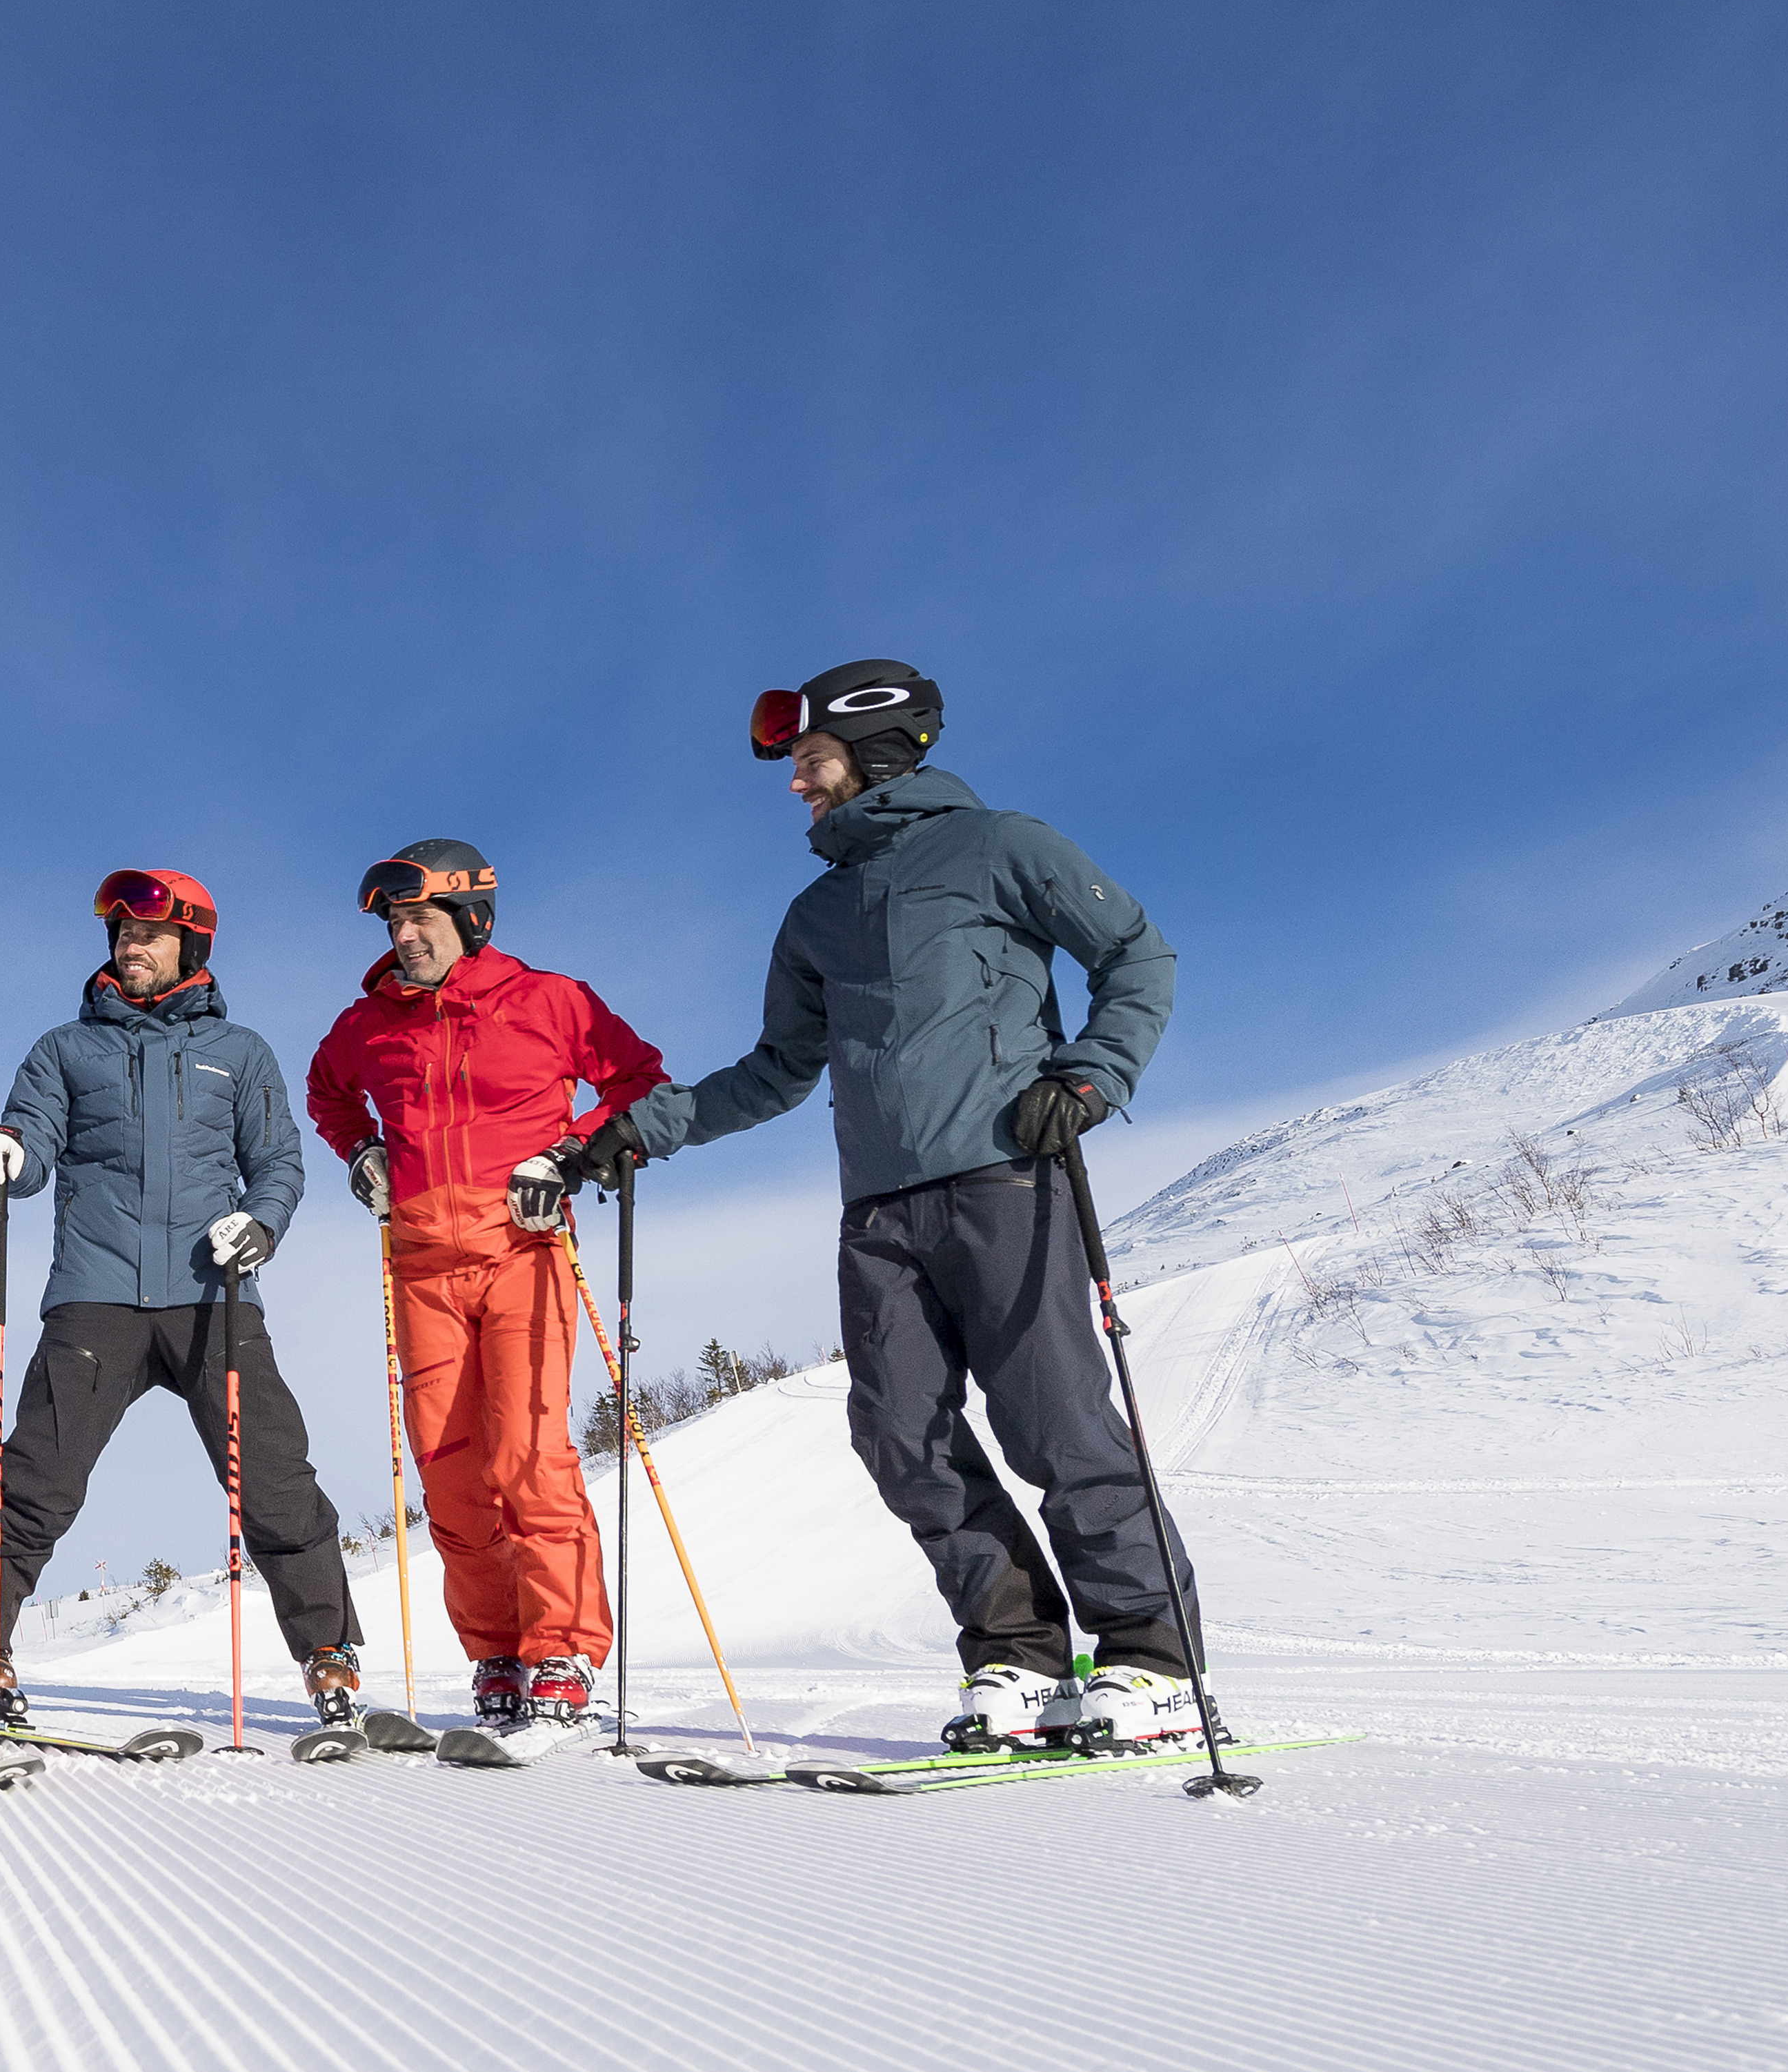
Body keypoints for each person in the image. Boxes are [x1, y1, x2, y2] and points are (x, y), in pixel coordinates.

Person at [570, 662, 1202, 1752]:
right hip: (878, 1209)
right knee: (899, 1434)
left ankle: (1149, 1656)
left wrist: (1091, 1075)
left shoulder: (1003, 845)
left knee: (1054, 1420)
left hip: (1007, 1175)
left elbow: (1136, 956)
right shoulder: (816, 911)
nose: (796, 786)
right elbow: (777, 1067)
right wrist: (642, 1126)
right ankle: (1018, 1651)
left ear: (879, 748)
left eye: (808, 761)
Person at [0, 870, 361, 1730]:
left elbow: (278, 1164)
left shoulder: (240, 1053)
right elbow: (30, 1147)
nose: (129, 946)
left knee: (276, 1483)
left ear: (191, 946)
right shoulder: (64, 1049)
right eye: (120, 934)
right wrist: (5, 1155)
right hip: (93, 1300)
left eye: (148, 933)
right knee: (34, 1484)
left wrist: (263, 1224)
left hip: (216, 1296)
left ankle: (330, 1660)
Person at [306, 840, 666, 1734]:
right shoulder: (368, 1025)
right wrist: (361, 1151)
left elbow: (638, 1080)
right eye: (394, 921)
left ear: (473, 917)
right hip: (421, 1263)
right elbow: (328, 1093)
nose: (404, 935)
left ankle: (564, 1648)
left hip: (523, 1250)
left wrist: (570, 1151)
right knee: (452, 1475)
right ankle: (497, 1653)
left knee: (529, 1456)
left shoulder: (551, 1000)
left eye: (419, 917)